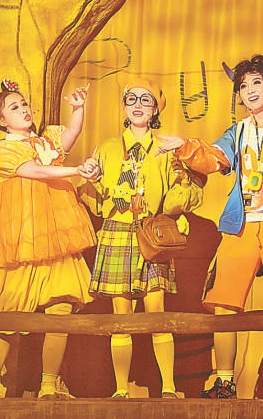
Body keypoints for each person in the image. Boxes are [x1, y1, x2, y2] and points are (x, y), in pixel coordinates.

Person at [158, 54, 263, 400]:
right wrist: (185, 146)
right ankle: (224, 382)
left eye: (256, 83)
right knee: (224, 303)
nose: (250, 90)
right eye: (243, 86)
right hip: (241, 225)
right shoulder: (238, 131)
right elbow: (214, 158)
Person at [79, 77, 205, 399]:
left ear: (155, 110)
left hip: (150, 233)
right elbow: (98, 197)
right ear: (123, 107)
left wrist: (181, 177)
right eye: (131, 99)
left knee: (157, 312)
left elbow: (179, 197)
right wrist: (92, 178)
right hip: (117, 230)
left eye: (145, 100)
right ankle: (121, 389)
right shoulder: (108, 148)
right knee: (121, 316)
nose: (137, 105)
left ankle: (168, 388)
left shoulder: (165, 149)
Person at [0, 78, 98, 400]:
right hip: (25, 239)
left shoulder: (47, 140)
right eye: (14, 107)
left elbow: (70, 136)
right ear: (2, 120)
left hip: (58, 237)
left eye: (25, 103)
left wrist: (79, 108)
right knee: (8, 309)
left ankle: (49, 385)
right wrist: (76, 171)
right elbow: (36, 171)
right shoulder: (2, 149)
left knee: (61, 309)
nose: (24, 109)